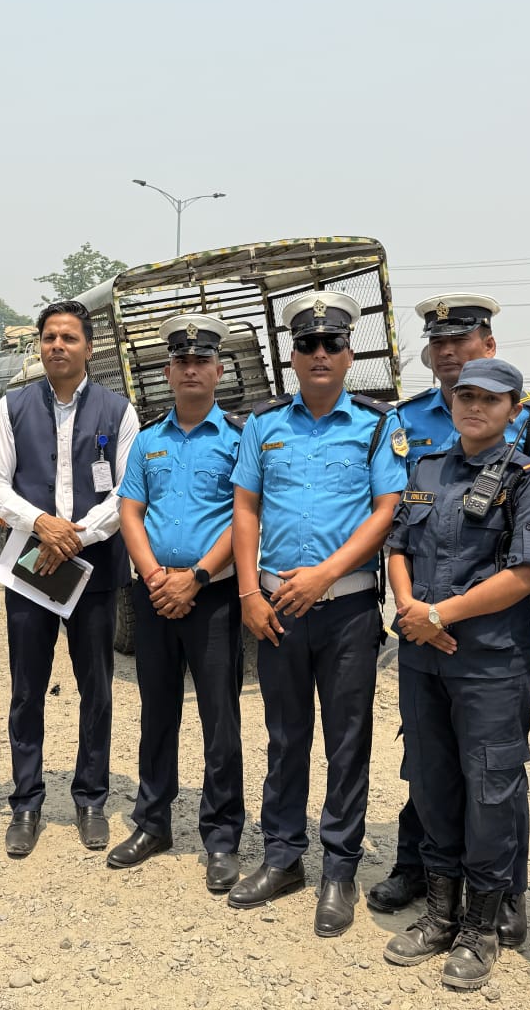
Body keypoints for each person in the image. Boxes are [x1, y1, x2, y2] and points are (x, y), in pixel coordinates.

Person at [375, 292, 530, 944]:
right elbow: (399, 539)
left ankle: (495, 906)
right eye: (465, 396)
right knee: (431, 779)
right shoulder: (421, 450)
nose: (474, 405)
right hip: (421, 646)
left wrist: (438, 613)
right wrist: (411, 611)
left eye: (490, 398)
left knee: (492, 784)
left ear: (513, 407)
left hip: (487, 653)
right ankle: (437, 900)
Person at [228, 290, 406, 938]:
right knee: (285, 736)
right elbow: (245, 507)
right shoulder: (263, 425)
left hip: (348, 608)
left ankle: (339, 869)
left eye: (333, 343)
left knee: (347, 740)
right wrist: (248, 593)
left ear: (349, 354)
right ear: (294, 356)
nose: (321, 353)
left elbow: (386, 510)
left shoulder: (377, 424)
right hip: (276, 607)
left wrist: (326, 574)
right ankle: (282, 857)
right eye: (308, 344)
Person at [0, 300, 138, 858]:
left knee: (96, 688)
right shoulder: (12, 406)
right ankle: (26, 802)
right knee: (27, 689)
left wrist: (75, 536)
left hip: (93, 570)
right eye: (49, 337)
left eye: (69, 338)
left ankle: (91, 798)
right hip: (32, 568)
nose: (57, 346)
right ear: (39, 346)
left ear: (89, 348)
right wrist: (41, 525)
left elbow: (127, 490)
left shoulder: (119, 411)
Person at [109, 313, 246, 892]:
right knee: (157, 712)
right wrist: (154, 577)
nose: (191, 369)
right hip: (154, 594)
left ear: (219, 371)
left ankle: (222, 836)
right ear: (167, 373)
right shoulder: (149, 440)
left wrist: (196, 576)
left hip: (212, 596)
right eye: (181, 361)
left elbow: (246, 518)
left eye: (201, 361)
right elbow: (130, 511)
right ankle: (152, 822)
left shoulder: (240, 439)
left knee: (220, 718)